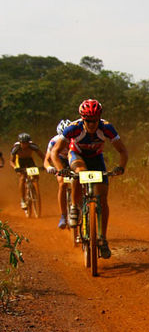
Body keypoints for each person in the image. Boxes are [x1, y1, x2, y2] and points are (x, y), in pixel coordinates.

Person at [51, 99, 128, 259]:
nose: (92, 124)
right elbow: (55, 152)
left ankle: (103, 239)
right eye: (88, 120)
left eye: (94, 120)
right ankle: (74, 208)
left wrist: (121, 167)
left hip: (96, 158)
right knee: (80, 173)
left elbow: (123, 150)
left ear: (99, 118)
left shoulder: (107, 127)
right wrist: (61, 169)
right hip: (77, 155)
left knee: (103, 197)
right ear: (82, 118)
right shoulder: (73, 128)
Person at [44, 119, 73, 229]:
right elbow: (47, 159)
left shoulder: (77, 138)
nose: (66, 140)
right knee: (62, 183)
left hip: (72, 159)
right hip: (60, 160)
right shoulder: (53, 141)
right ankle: (63, 215)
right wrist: (49, 167)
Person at [10, 133, 45, 210]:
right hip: (19, 161)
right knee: (22, 177)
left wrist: (45, 164)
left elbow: (43, 156)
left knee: (36, 175)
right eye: (23, 143)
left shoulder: (33, 147)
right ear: (20, 143)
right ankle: (22, 200)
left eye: (27, 143)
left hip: (29, 160)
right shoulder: (16, 148)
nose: (25, 145)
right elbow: (11, 161)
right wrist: (15, 167)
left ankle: (33, 186)